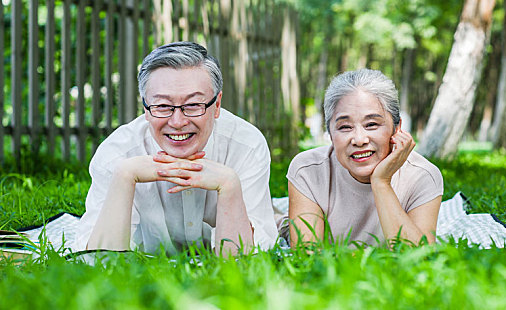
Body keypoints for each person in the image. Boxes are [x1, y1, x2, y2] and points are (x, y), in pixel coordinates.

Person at [74, 42, 278, 256]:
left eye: (193, 105)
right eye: (162, 106)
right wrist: (124, 176)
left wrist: (229, 185)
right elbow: (97, 261)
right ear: (145, 108)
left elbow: (244, 260)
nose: (178, 121)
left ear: (217, 105)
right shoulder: (117, 153)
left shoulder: (246, 145)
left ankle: (278, 216)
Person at [287, 69, 443, 248]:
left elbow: (419, 258)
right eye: (345, 127)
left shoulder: (422, 175)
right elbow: (306, 255)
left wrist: (381, 182)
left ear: (397, 128)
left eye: (371, 124)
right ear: (330, 133)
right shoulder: (308, 170)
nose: (359, 140)